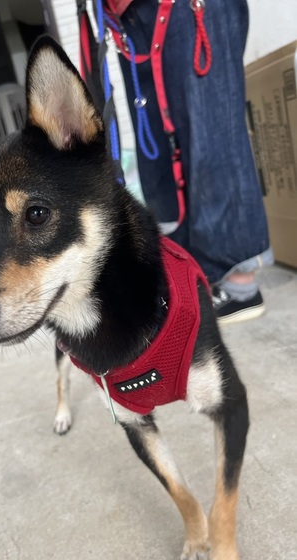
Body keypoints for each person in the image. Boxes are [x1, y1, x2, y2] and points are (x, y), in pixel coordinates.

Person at [104, 0, 273, 324]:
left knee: (209, 127)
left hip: (187, 7)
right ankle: (187, 276)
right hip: (128, 15)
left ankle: (238, 282)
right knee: (156, 150)